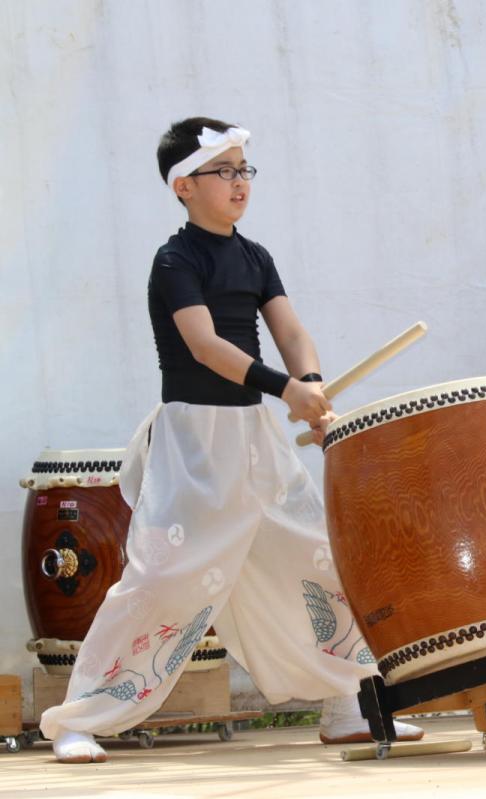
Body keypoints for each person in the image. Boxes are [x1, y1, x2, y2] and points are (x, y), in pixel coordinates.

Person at [40, 117, 421, 763]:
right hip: (194, 441)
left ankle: (345, 703)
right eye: (225, 170)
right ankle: (78, 718)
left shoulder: (254, 255)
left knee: (316, 556)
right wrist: (285, 387)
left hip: (254, 437)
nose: (240, 182)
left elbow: (292, 333)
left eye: (245, 168)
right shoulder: (175, 259)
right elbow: (204, 344)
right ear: (183, 185)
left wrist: (312, 382)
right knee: (161, 581)